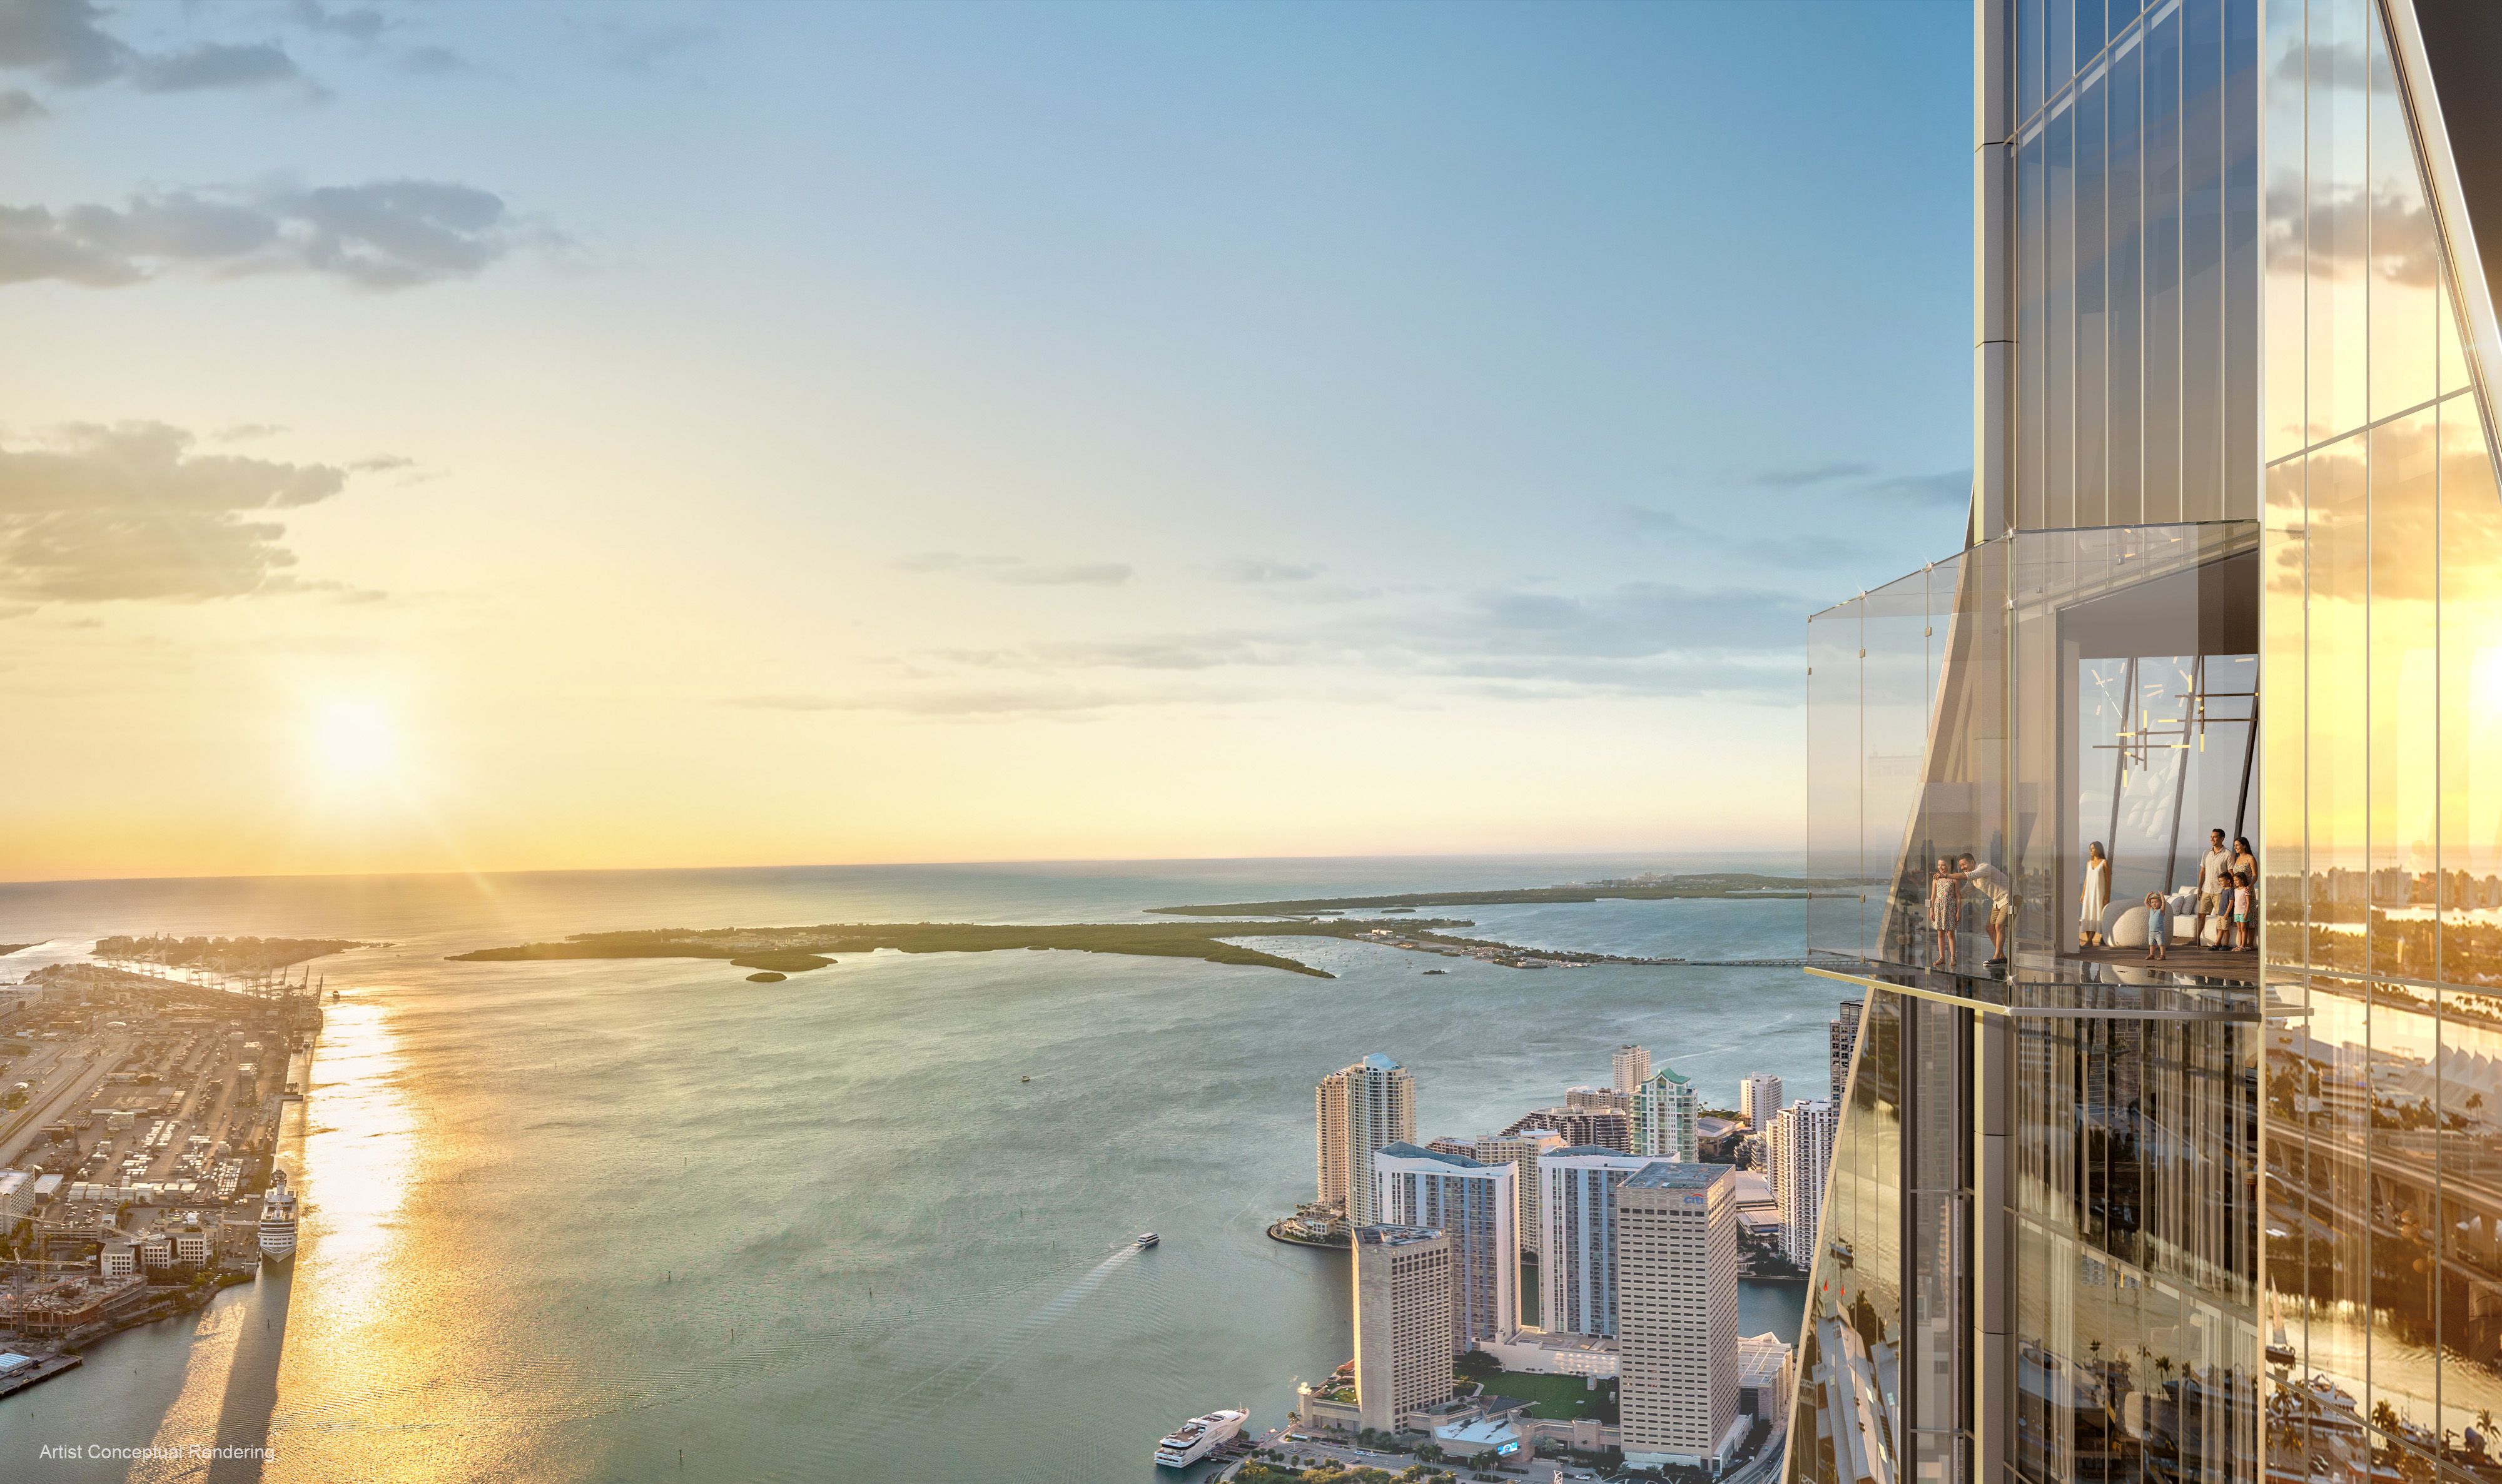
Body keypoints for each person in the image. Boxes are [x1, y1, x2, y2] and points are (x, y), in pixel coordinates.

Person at [1957, 852, 2015, 967]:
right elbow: (1963, 893)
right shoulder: (1973, 880)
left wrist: (1947, 876)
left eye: (1964, 864)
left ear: (1972, 862)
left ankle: (1996, 957)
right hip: (1998, 901)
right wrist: (1945, 892)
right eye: (1961, 866)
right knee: (1989, 927)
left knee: (1998, 926)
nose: (1963, 868)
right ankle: (2002, 957)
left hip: (2010, 897)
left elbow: (1970, 876)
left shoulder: (1984, 867)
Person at [2195, 829, 2231, 944]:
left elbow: (2230, 873)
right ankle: (2196, 940)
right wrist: (2200, 888)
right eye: (2211, 837)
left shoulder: (2228, 854)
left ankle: (2218, 942)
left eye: (2215, 837)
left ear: (2222, 839)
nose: (2212, 839)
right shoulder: (2206, 853)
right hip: (2206, 890)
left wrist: (2230, 890)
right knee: (2201, 915)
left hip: (2220, 891)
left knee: (2220, 917)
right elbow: (2202, 871)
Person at [1928, 857, 1963, 970]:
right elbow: (1933, 896)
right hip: (1939, 908)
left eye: (1943, 865)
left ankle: (1953, 957)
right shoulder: (1936, 879)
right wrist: (1931, 910)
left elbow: (1958, 896)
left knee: (1950, 933)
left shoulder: (1954, 879)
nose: (1940, 868)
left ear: (1948, 865)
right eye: (1939, 865)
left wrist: (1958, 911)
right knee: (1940, 933)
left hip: (1950, 908)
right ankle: (1941, 957)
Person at [2079, 842, 2111, 950]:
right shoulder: (2089, 863)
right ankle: (2089, 941)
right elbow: (2086, 880)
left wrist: (2107, 895)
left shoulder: (2104, 863)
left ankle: (2089, 941)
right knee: (2087, 915)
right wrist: (2083, 894)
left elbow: (2108, 881)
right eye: (2090, 849)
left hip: (2098, 893)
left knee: (2095, 915)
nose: (2091, 851)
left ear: (2098, 849)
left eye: (2093, 849)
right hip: (2089, 893)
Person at [2232, 869, 2254, 951]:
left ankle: (2243, 946)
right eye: (2234, 880)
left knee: (2244, 929)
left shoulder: (2246, 890)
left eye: (2237, 880)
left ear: (2242, 880)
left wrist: (2246, 914)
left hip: (2243, 912)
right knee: (2239, 929)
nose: (2235, 882)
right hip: (2237, 912)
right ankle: (2239, 945)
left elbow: (2248, 903)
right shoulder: (2235, 890)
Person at [2145, 891, 2169, 962]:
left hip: (2159, 932)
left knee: (2161, 944)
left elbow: (2164, 903)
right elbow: (2146, 903)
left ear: (2160, 903)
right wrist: (2148, 895)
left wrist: (2161, 895)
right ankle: (2152, 955)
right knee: (2152, 944)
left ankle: (2163, 955)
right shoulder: (2151, 910)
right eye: (2152, 902)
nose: (2154, 904)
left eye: (2156, 902)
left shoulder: (2161, 911)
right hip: (2151, 932)